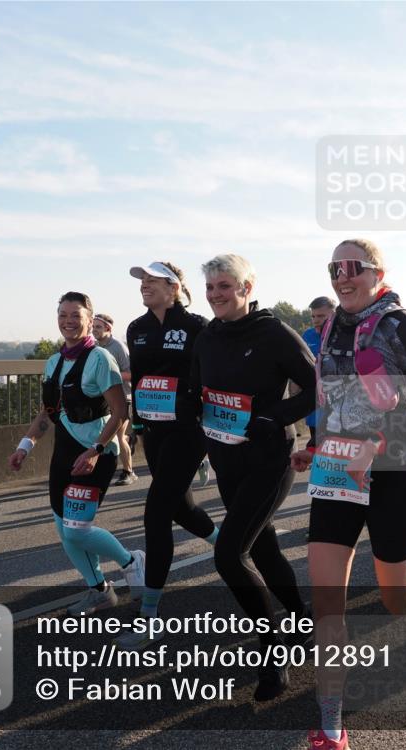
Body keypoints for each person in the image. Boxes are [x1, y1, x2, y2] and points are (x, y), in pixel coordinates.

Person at [291, 239, 406, 750]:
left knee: (396, 597)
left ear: (377, 273)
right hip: (339, 475)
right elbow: (331, 401)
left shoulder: (399, 325)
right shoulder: (328, 329)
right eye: (333, 269)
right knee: (327, 604)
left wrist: (381, 443)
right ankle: (330, 726)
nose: (342, 277)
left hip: (390, 473)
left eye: (353, 268)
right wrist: (315, 444)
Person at [177, 254, 315, 701]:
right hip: (225, 460)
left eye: (224, 286)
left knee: (229, 555)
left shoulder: (274, 334)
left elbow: (317, 388)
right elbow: (197, 390)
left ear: (246, 287)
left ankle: (272, 657)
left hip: (267, 461)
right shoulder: (207, 337)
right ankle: (301, 619)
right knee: (264, 546)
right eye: (211, 287)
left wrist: (273, 418)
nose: (216, 294)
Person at [7, 292, 144, 615]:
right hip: (64, 451)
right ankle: (99, 590)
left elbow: (120, 411)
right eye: (63, 315)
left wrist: (96, 450)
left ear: (89, 319)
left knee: (76, 529)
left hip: (97, 452)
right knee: (64, 531)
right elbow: (47, 412)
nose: (68, 321)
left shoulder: (100, 359)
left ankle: (131, 561)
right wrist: (24, 447)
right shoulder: (54, 362)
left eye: (75, 315)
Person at [114, 262, 220, 650]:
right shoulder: (136, 328)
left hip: (188, 432)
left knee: (156, 513)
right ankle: (232, 549)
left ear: (173, 287)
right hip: (154, 433)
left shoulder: (196, 325)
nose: (144, 286)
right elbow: (140, 379)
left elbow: (211, 375)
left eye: (152, 281)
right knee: (181, 508)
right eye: (142, 281)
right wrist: (138, 425)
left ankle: (150, 618)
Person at [92, 313, 136, 485]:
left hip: (124, 396)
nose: (94, 330)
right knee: (105, 434)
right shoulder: (95, 347)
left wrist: (110, 375)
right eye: (93, 326)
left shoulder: (118, 347)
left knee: (117, 434)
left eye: (98, 327)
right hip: (104, 398)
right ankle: (129, 439)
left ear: (108, 328)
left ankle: (128, 472)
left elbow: (131, 374)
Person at [302, 297, 337, 440]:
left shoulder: (343, 336)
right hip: (314, 410)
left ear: (334, 315)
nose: (316, 320)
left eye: (321, 316)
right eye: (313, 316)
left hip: (337, 412)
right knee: (316, 455)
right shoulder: (307, 336)